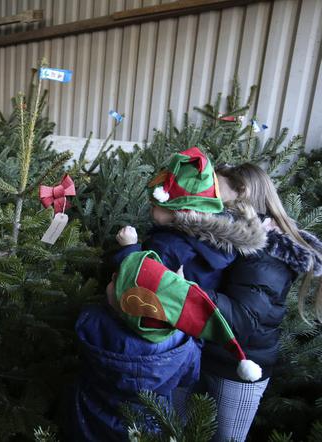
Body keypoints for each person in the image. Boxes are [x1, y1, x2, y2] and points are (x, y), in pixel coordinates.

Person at [69, 250, 261, 441]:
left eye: (116, 280)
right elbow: (188, 377)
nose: (112, 277)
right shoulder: (181, 343)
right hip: (151, 423)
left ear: (127, 306)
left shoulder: (93, 321)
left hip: (93, 413)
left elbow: (80, 340)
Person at [198, 163, 322, 442]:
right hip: (212, 355)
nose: (210, 192)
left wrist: (184, 288)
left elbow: (242, 317)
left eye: (217, 186)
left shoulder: (267, 250)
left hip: (238, 368)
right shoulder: (235, 234)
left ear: (242, 191)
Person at [114, 146, 266, 290]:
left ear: (179, 208)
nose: (151, 203)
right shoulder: (216, 243)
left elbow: (136, 288)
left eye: (157, 202)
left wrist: (129, 248)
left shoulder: (168, 245)